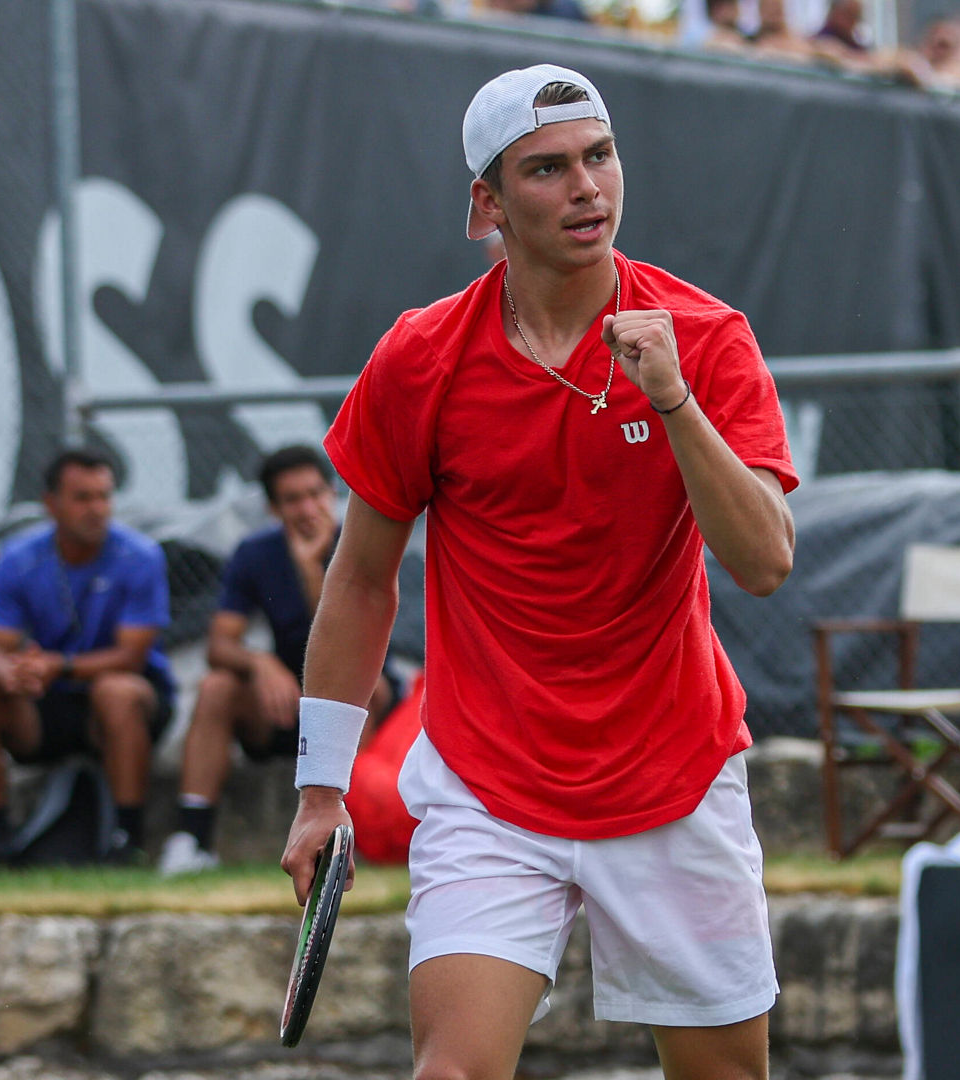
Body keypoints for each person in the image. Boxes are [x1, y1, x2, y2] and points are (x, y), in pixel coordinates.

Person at [281, 63, 797, 1080]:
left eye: (599, 157)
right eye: (548, 169)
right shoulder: (420, 358)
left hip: (674, 776)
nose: (586, 189)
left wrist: (675, 401)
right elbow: (360, 581)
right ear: (488, 204)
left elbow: (766, 560)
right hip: (488, 786)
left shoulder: (706, 338)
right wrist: (319, 788)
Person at [158, 445, 397, 875]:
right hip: (284, 702)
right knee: (216, 687)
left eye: (315, 494)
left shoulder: (360, 541)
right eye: (292, 499)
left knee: (369, 688)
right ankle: (191, 839)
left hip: (357, 695)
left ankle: (356, 829)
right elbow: (219, 644)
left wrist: (310, 569)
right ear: (273, 508)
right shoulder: (256, 553)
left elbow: (350, 640)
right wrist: (259, 663)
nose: (308, 508)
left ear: (332, 494)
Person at [0, 447, 175, 866]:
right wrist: (12, 675)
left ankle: (128, 841)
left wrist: (58, 666)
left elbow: (131, 656)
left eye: (104, 496)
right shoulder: (17, 558)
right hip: (46, 700)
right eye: (83, 498)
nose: (97, 509)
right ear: (50, 504)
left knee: (116, 691)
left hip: (124, 701)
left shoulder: (140, 556)